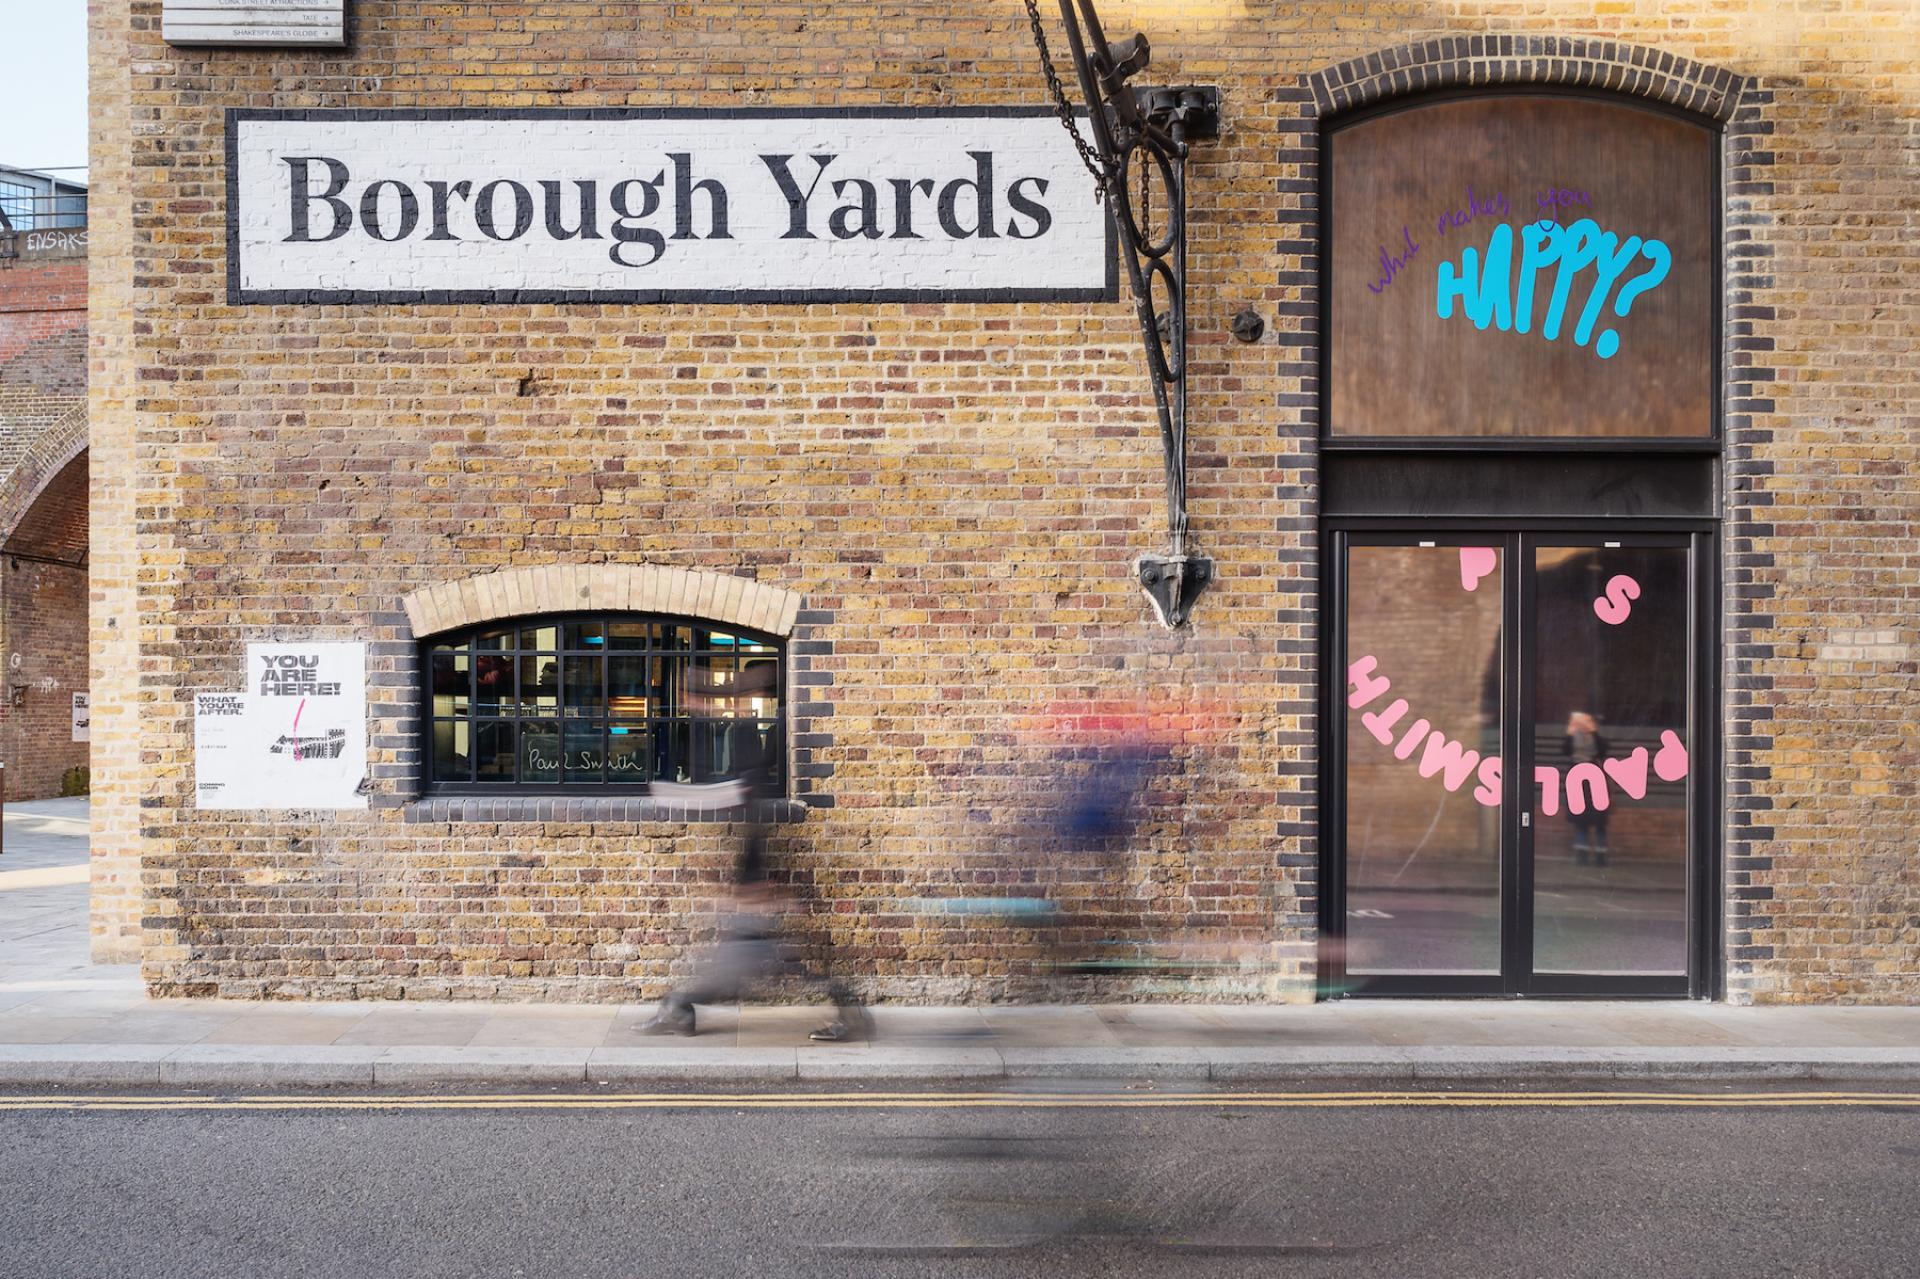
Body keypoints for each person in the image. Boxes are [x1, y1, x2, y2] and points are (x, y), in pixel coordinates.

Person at [1564, 710, 1610, 865]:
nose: (1582, 724)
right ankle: (1582, 855)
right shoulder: (1573, 737)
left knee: (1599, 821)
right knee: (1581, 820)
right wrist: (1570, 733)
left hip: (1596, 780)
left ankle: (1600, 856)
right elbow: (1565, 751)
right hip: (1578, 781)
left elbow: (1603, 751)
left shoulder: (1595, 737)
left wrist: (1593, 731)